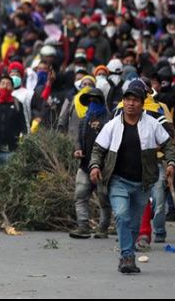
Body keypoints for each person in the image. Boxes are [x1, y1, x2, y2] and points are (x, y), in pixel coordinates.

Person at [90, 79, 175, 274]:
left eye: (135, 100)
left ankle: (126, 254)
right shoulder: (113, 125)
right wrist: (95, 166)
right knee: (122, 215)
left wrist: (171, 163)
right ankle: (127, 256)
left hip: (143, 183)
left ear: (142, 102)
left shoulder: (152, 124)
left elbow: (169, 145)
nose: (131, 103)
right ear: (123, 102)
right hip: (118, 180)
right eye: (127, 99)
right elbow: (98, 149)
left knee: (135, 222)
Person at [69, 88, 112, 239]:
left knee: (104, 199)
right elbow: (79, 139)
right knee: (80, 196)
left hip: (104, 167)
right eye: (90, 100)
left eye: (96, 100)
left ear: (101, 101)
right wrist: (78, 149)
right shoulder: (84, 119)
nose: (92, 103)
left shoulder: (110, 120)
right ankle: (83, 226)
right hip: (85, 165)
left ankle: (103, 228)